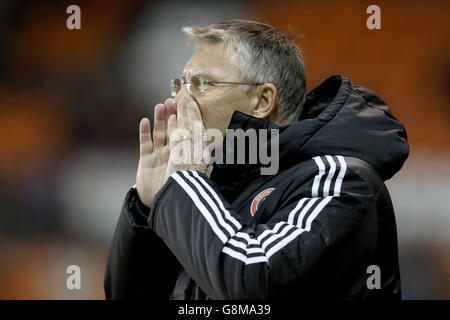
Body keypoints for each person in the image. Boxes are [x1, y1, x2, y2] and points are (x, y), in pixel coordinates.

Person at [104, 19, 409, 300]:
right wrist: (146, 209)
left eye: (201, 84)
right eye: (180, 85)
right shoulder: (215, 186)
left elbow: (252, 282)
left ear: (262, 100)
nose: (180, 101)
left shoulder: (338, 179)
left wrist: (187, 183)